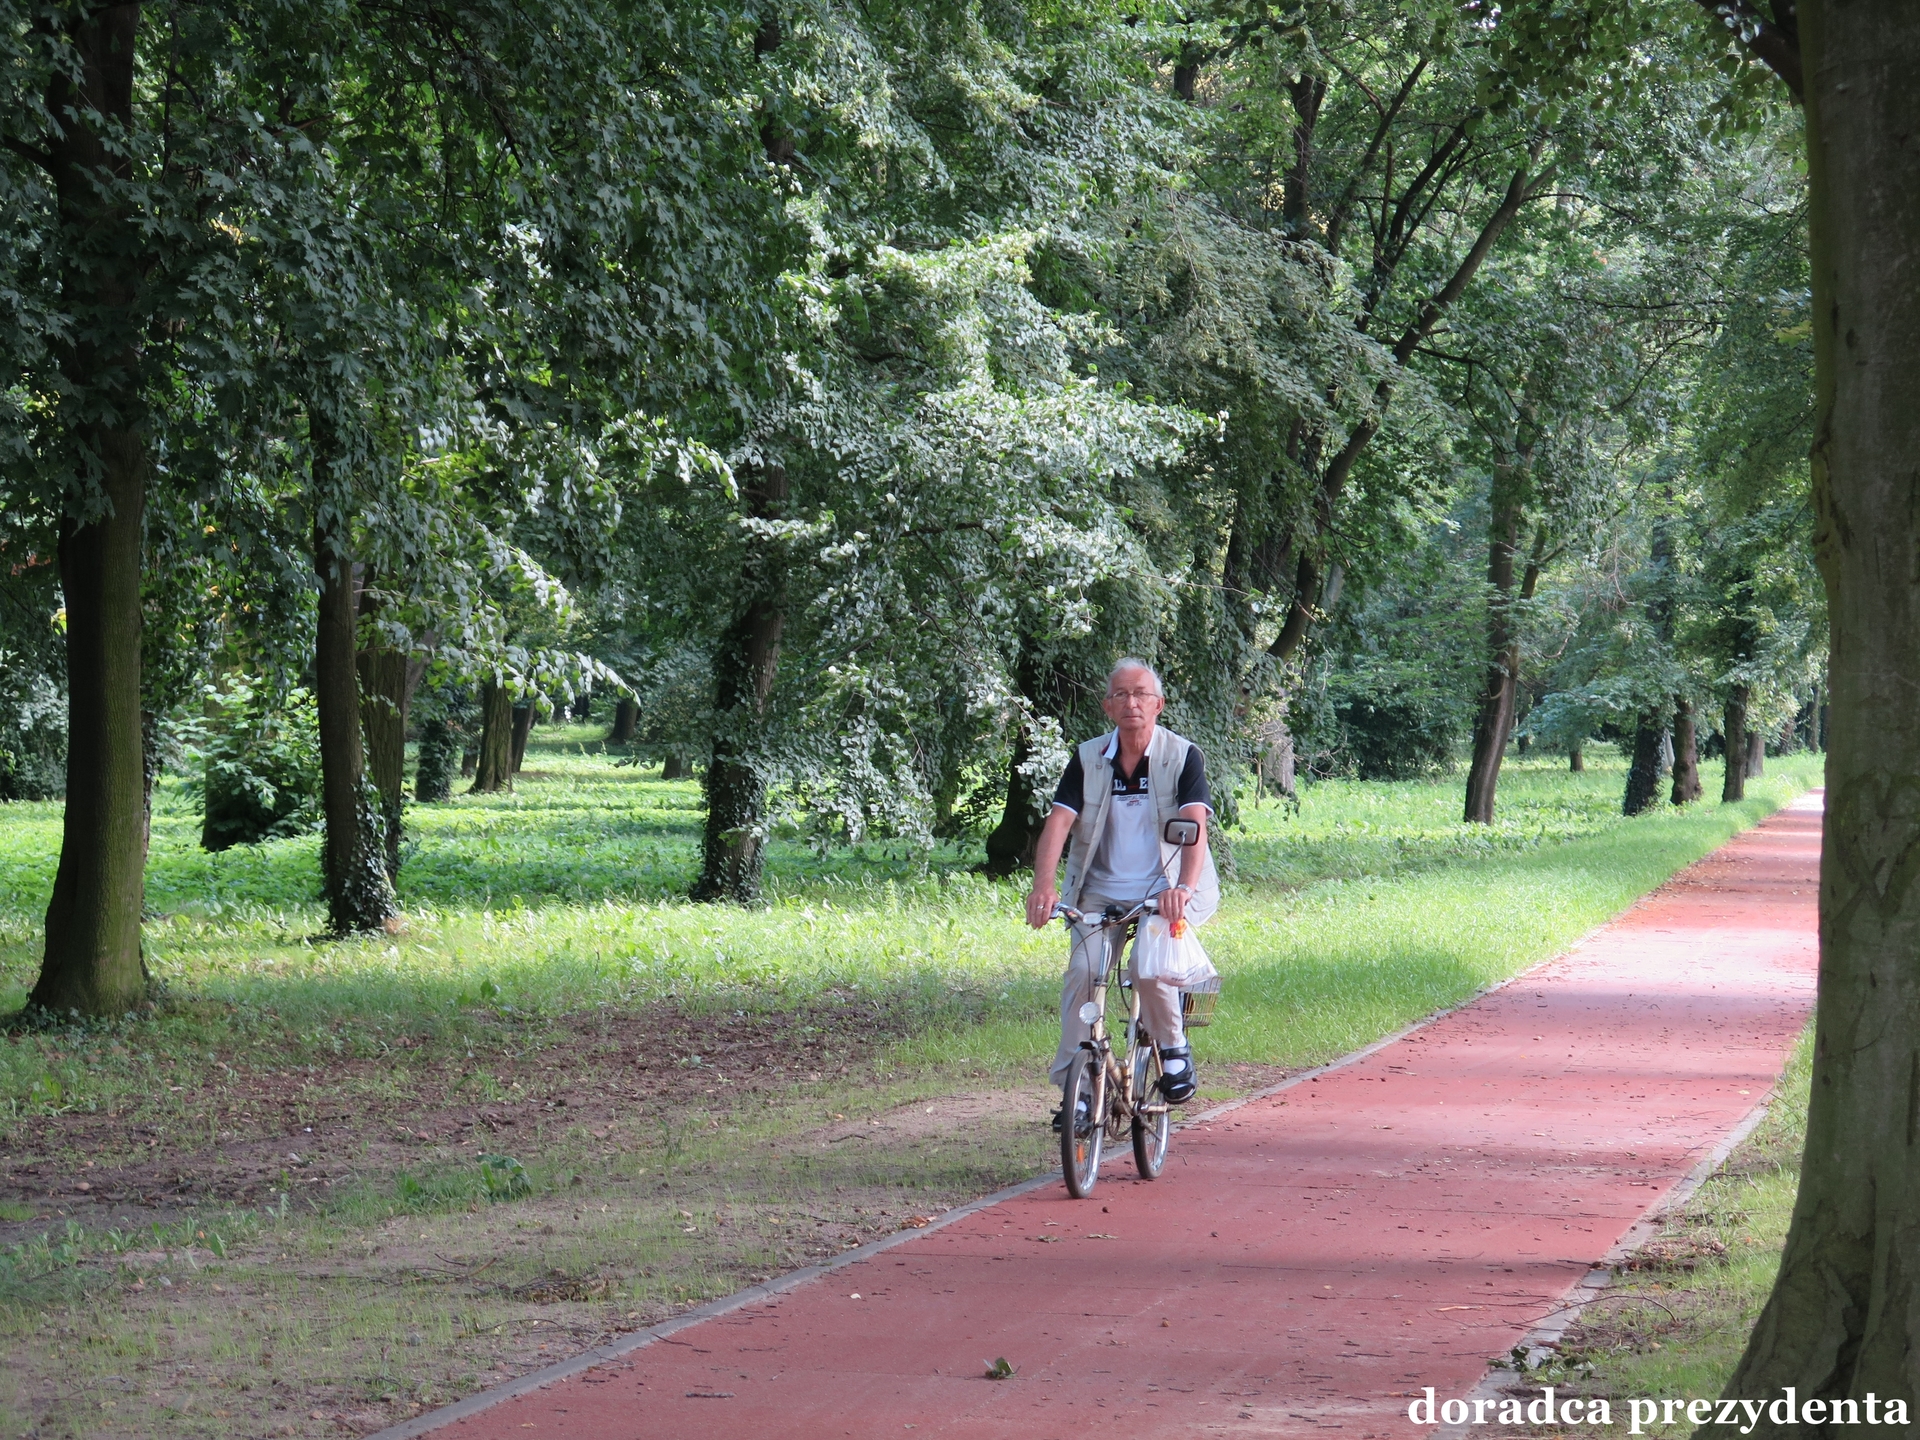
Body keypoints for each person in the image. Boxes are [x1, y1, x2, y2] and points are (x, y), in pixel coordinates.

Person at [1024, 659, 1219, 1129]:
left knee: (1148, 969)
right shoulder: (1089, 757)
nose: (1132, 703)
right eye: (1122, 695)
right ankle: (1081, 1093)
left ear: (1158, 704)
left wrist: (1183, 889)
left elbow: (1196, 825)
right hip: (1099, 890)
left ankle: (1173, 1050)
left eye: (1142, 694)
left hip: (1165, 887)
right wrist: (1043, 887)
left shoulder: (1181, 755)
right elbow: (1059, 823)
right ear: (1108, 705)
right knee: (1083, 973)